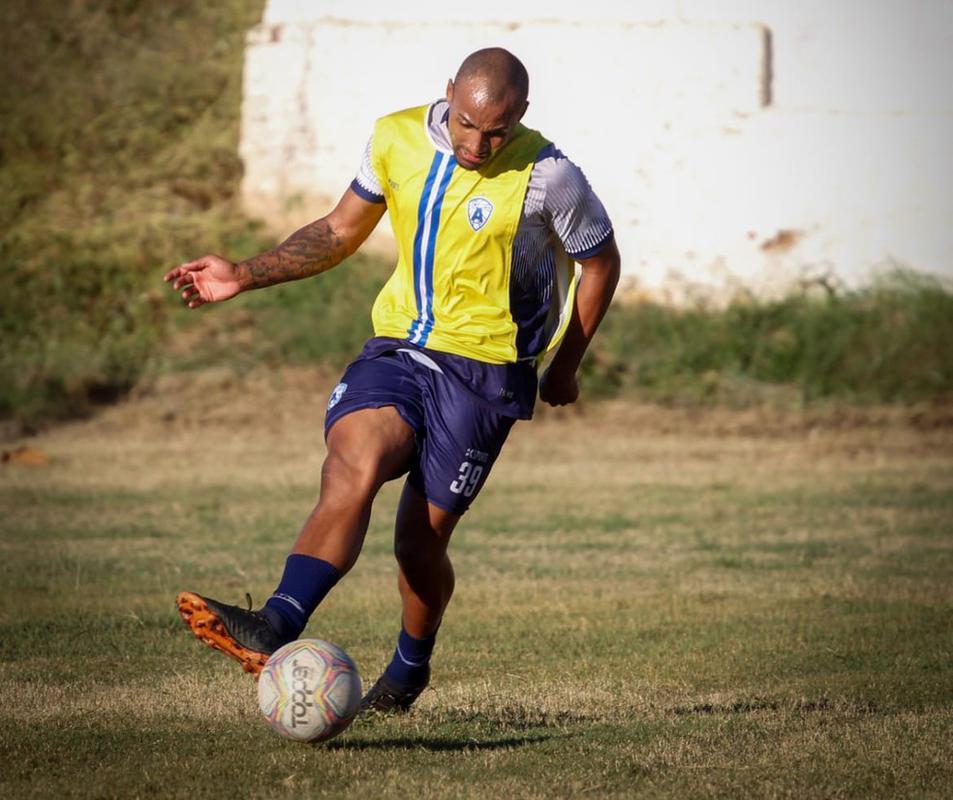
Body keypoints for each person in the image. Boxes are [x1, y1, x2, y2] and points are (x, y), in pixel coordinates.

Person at [164, 47, 620, 713]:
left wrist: (565, 365)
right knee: (356, 460)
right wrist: (245, 272)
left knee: (417, 543)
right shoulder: (395, 136)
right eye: (466, 124)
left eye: (495, 131)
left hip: (487, 374)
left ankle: (409, 668)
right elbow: (338, 232)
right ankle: (276, 622)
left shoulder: (551, 175)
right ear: (447, 97)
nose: (476, 143)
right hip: (399, 348)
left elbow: (600, 265)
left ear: (520, 116)